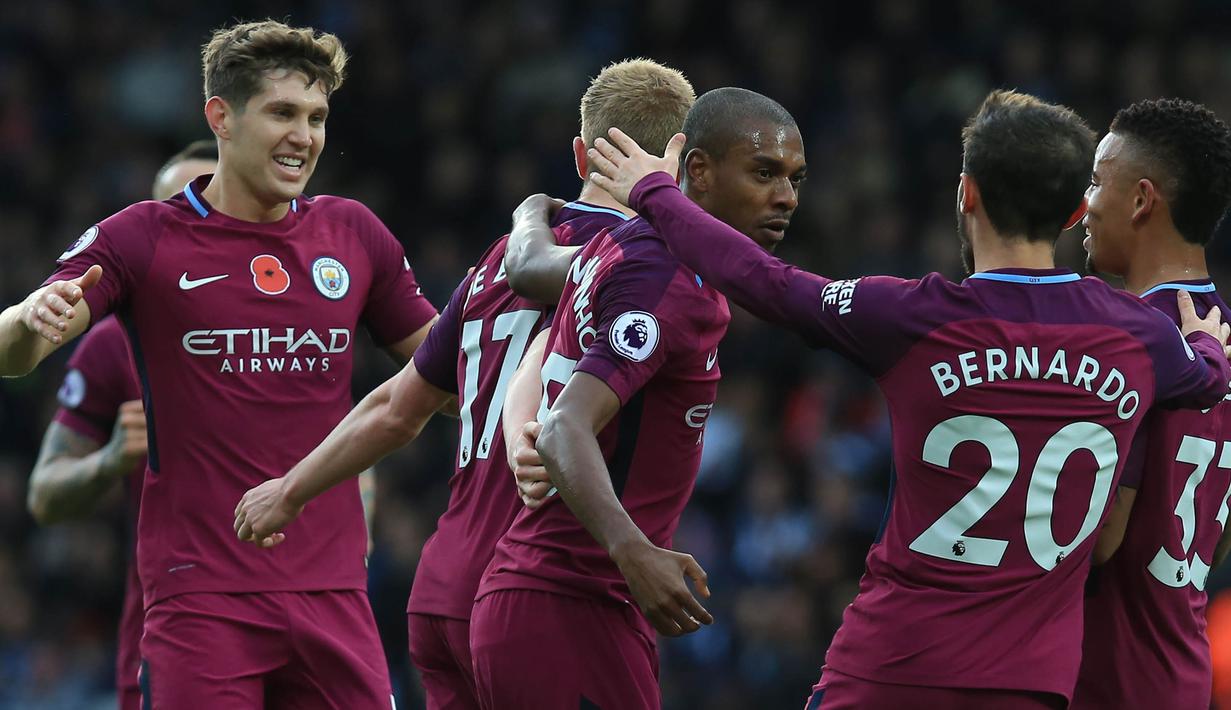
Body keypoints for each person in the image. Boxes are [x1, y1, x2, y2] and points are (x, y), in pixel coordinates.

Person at [583, 89, 1231, 709]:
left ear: (966, 193)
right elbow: (1202, 381)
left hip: (900, 663)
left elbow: (767, 283)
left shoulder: (914, 314)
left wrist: (654, 193)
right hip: (1043, 680)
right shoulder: (1140, 337)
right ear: (1068, 214)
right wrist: (1205, 348)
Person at [231, 58, 696, 710]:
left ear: (580, 153)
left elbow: (398, 406)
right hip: (544, 590)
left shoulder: (492, 266)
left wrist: (289, 490)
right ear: (680, 165)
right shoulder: (641, 269)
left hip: (443, 589)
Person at [0, 20, 438, 708]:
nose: (305, 136)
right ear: (221, 117)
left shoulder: (352, 233)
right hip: (201, 597)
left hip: (332, 592)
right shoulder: (142, 236)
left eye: (317, 117)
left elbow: (444, 373)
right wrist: (28, 321)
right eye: (282, 113)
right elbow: (15, 351)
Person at [469, 87, 807, 710]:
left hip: (567, 601)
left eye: (794, 178)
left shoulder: (625, 251)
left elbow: (532, 272)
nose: (785, 196)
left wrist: (528, 212)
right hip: (567, 600)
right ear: (696, 172)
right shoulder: (665, 276)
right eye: (764, 173)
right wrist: (632, 551)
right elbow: (567, 425)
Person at [25, 140, 217, 710]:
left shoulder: (295, 321)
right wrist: (110, 460)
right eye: (179, 210)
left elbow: (349, 430)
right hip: (174, 617)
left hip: (309, 607)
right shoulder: (112, 345)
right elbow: (43, 496)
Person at [1072, 98, 1231, 710]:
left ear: (1140, 199)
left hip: (1104, 674)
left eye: (1095, 181)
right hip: (1180, 673)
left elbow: (1104, 536)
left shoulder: (1129, 338)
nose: (1083, 204)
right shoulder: (1218, 338)